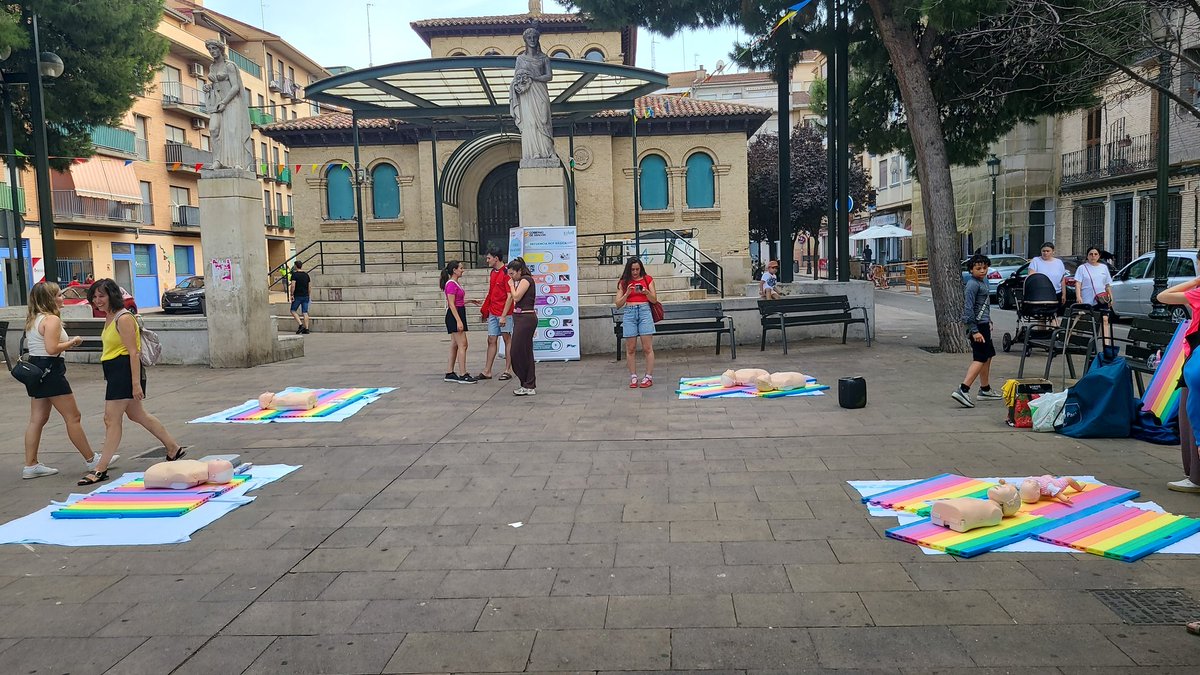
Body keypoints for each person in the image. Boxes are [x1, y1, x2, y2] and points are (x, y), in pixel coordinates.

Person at [81, 279, 185, 486]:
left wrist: (135, 383)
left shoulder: (124, 318)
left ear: (112, 295)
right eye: (94, 297)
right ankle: (173, 448)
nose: (97, 300)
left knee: (111, 419)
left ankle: (100, 468)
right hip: (114, 371)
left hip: (124, 372)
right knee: (137, 414)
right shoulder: (110, 316)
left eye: (101, 296)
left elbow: (133, 352)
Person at [20, 282, 112, 479]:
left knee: (37, 419)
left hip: (36, 371)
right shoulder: (51, 319)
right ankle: (91, 459)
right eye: (59, 295)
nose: (62, 298)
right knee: (73, 417)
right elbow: (52, 349)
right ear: (50, 299)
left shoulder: (34, 319)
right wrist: (73, 341)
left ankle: (30, 465)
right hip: (51, 370)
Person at [1153, 276, 1200, 493]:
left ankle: (1195, 477)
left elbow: (1162, 296)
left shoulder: (1198, 293)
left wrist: (1195, 281)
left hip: (1196, 360)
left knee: (1190, 416)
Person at [952, 254, 1004, 408]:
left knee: (988, 356)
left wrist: (989, 320)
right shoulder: (972, 285)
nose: (982, 271)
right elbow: (968, 309)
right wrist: (974, 330)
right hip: (977, 327)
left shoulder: (982, 282)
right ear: (971, 270)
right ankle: (963, 389)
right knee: (980, 358)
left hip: (983, 324)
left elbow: (982, 306)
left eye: (984, 268)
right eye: (978, 268)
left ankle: (985, 389)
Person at [203, 39, 253, 170]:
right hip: (216, 102)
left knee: (232, 132)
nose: (212, 51)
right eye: (210, 49)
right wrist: (208, 87)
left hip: (231, 102)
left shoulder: (229, 66)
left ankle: (237, 162)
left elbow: (235, 87)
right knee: (213, 129)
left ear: (220, 49)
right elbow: (215, 84)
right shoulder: (212, 67)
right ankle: (217, 160)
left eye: (214, 48)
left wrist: (225, 102)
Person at [614, 257, 658, 388]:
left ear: (641, 268)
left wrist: (646, 292)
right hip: (629, 312)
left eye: (637, 269)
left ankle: (648, 376)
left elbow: (654, 300)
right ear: (629, 269)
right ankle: (633, 376)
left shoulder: (648, 279)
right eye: (632, 269)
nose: (635, 272)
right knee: (631, 348)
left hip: (644, 311)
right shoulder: (623, 282)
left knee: (647, 347)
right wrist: (627, 293)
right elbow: (617, 304)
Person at [478, 248, 515, 381]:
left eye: (489, 258)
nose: (487, 260)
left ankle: (508, 369)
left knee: (506, 339)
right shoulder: (493, 272)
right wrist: (485, 309)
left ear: (496, 258)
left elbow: (510, 296)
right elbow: (491, 292)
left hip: (504, 312)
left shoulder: (506, 273)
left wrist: (504, 315)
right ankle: (487, 370)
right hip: (493, 311)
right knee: (491, 339)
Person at [441, 260, 480, 384]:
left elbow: (457, 301)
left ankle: (450, 372)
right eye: (461, 268)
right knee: (463, 344)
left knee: (455, 344)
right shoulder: (451, 284)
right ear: (454, 270)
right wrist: (458, 321)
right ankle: (463, 374)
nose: (462, 270)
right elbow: (451, 304)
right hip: (455, 315)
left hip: (458, 313)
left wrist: (469, 301)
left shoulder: (455, 283)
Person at [507, 257, 537, 396]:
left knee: (517, 350)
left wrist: (512, 285)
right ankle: (526, 383)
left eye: (513, 273)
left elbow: (517, 297)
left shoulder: (526, 280)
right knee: (524, 351)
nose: (511, 276)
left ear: (519, 271)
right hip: (519, 317)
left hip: (526, 318)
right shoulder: (521, 280)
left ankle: (528, 382)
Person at [1075, 245, 1115, 342]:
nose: (1093, 256)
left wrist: (1111, 296)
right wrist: (1078, 296)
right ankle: (1079, 339)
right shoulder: (1082, 268)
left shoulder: (1103, 267)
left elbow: (1107, 284)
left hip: (1101, 299)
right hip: (1087, 299)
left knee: (1105, 319)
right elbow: (1078, 283)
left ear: (1099, 256)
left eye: (1095, 254)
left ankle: (1106, 343)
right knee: (1083, 319)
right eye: (1091, 254)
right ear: (1087, 256)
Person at [1028, 242, 1068, 307]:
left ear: (1053, 252)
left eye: (1048, 251)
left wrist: (1064, 294)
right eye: (1043, 251)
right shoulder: (1036, 261)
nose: (1045, 253)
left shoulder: (1059, 262)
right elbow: (1031, 277)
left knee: (1056, 314)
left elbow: (1062, 280)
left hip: (1056, 293)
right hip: (1041, 294)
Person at [289, 260, 312, 334]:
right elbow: (309, 286)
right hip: (305, 296)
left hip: (298, 296)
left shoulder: (294, 275)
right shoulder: (306, 275)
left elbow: (293, 285)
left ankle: (301, 325)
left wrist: (291, 294)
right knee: (305, 312)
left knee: (293, 310)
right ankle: (307, 329)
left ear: (296, 266)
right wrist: (308, 295)